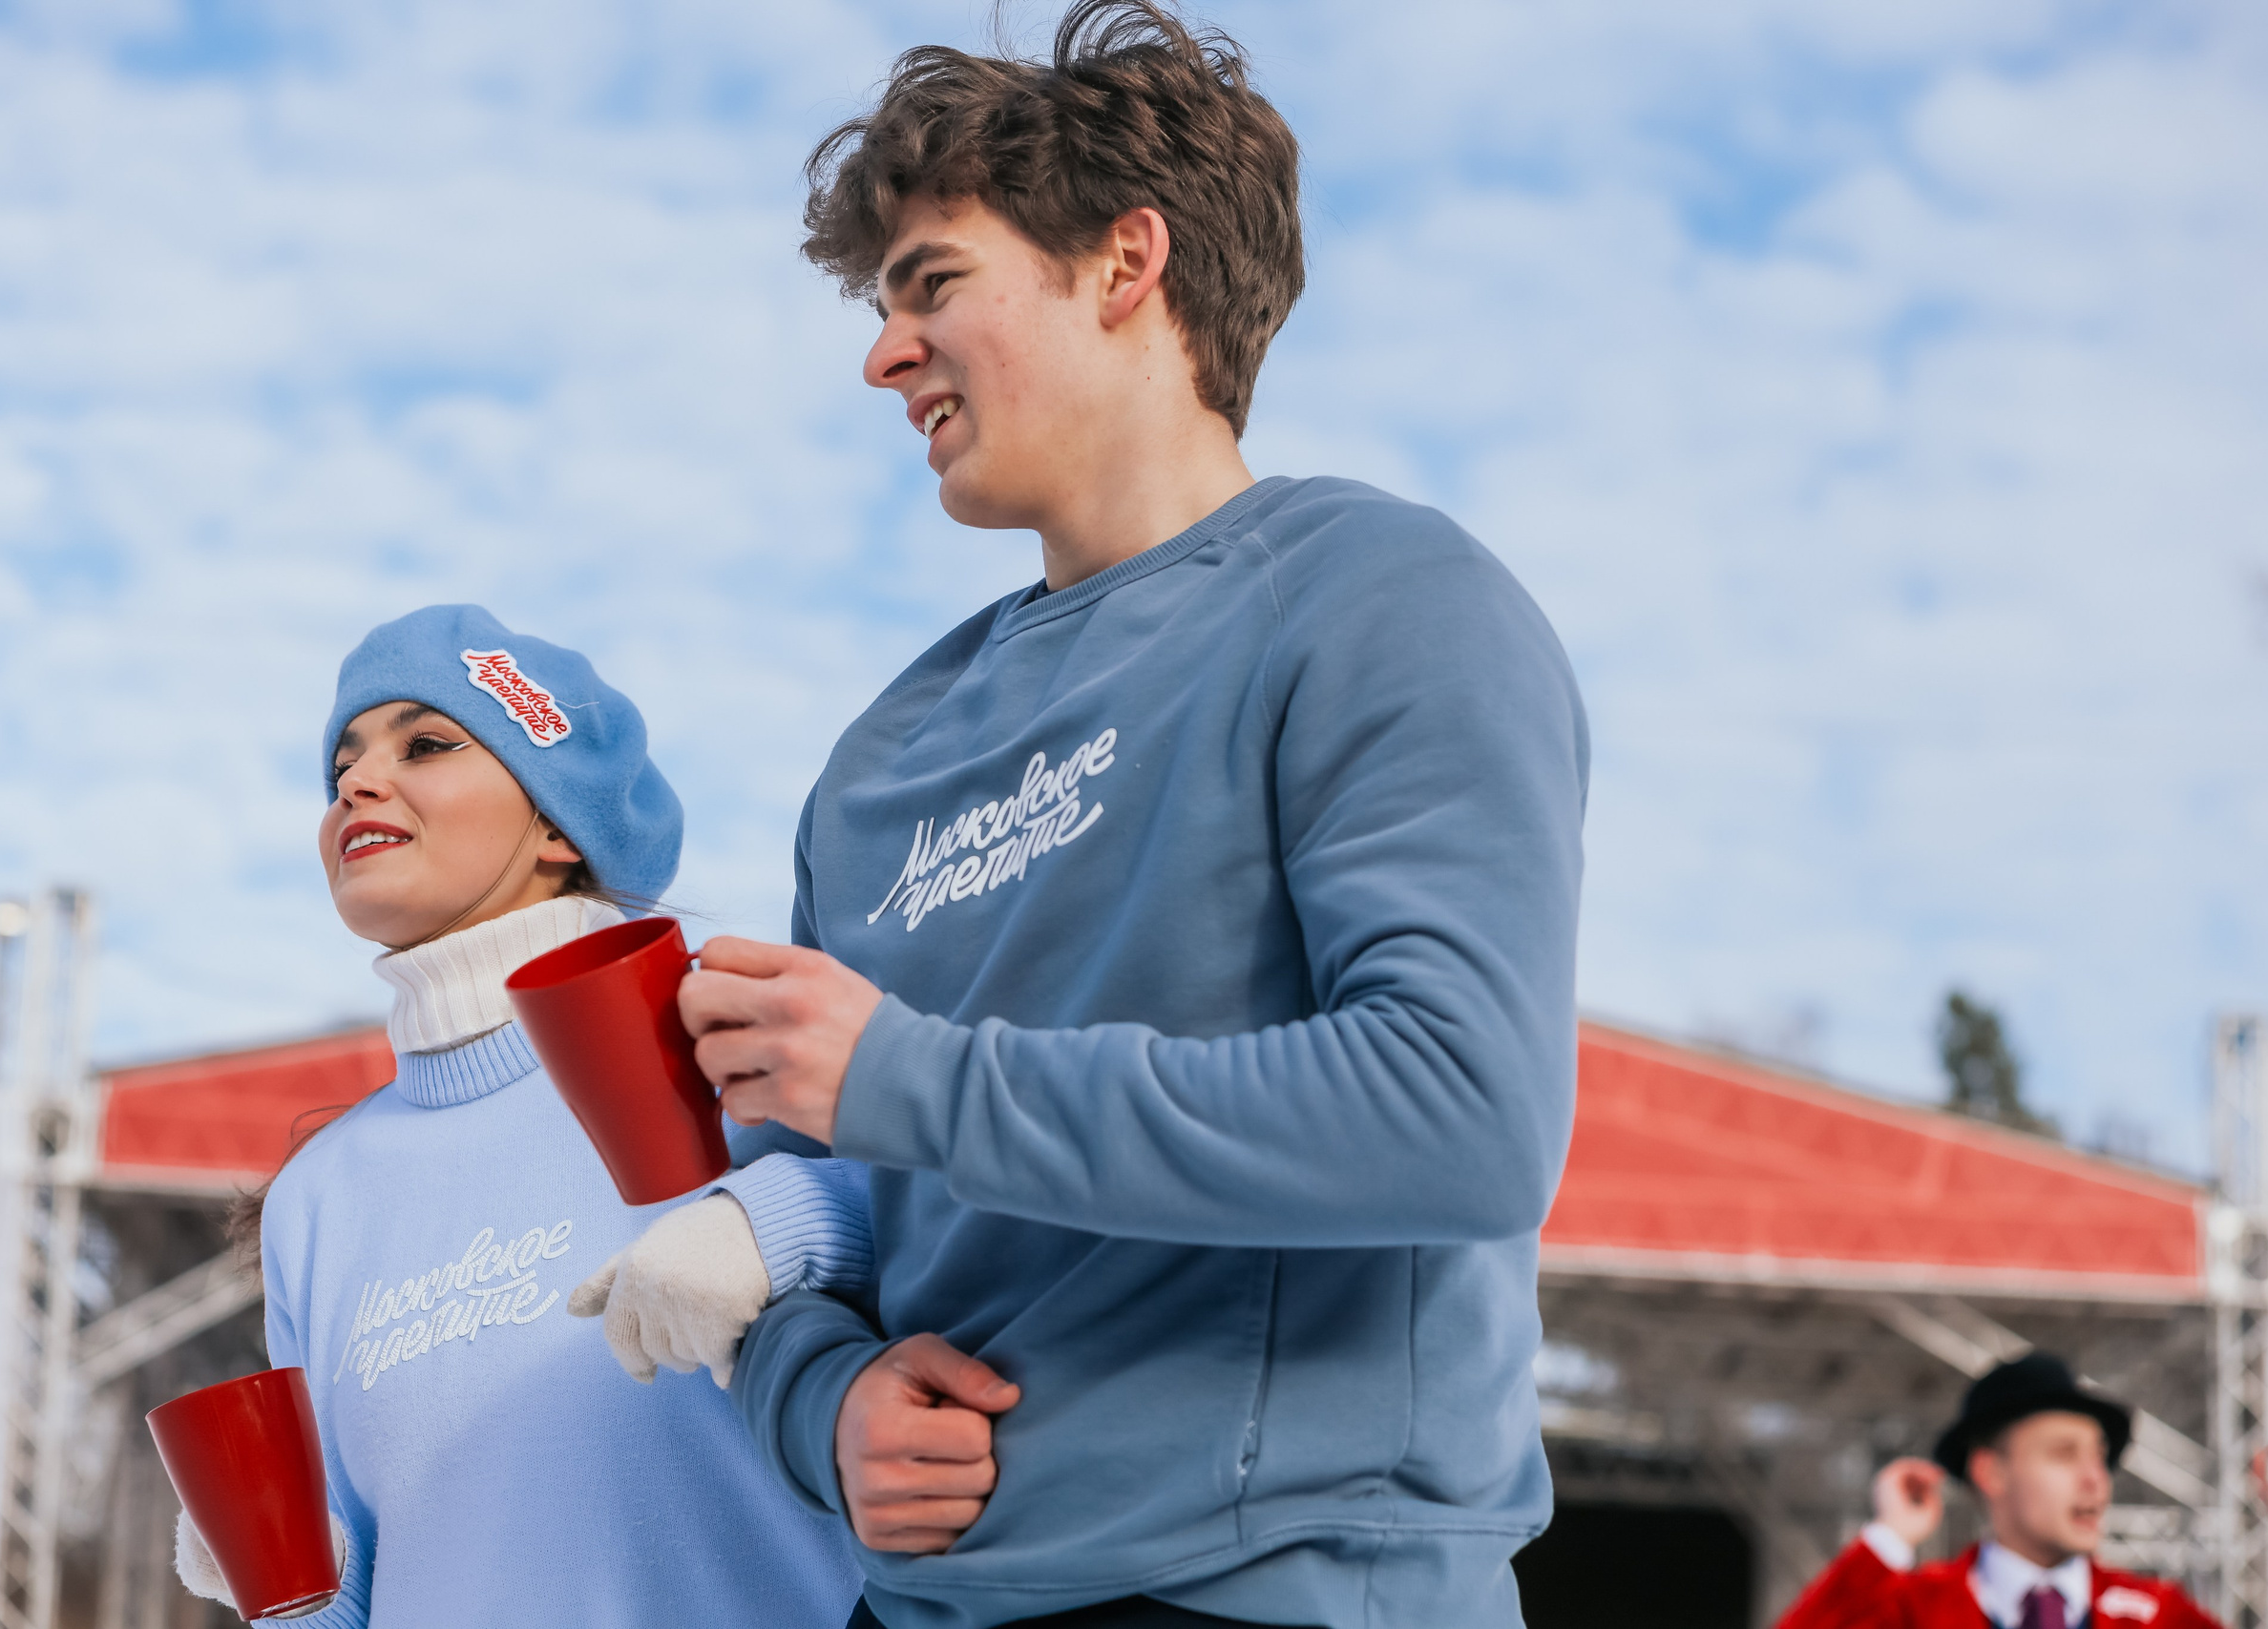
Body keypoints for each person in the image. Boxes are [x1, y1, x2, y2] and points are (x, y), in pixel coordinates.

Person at [584, 6, 1589, 1627]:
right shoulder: (881, 759)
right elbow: (793, 1215)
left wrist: (907, 1075)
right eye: (883, 306)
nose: (884, 353)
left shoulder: (1384, 597)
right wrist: (821, 1402)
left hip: (1277, 1588)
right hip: (921, 1600)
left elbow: (1459, 1113)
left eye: (934, 285)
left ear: (1126, 263)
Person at [175, 604, 872, 1626]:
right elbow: (354, 1603)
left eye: (425, 744)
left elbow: (964, 1240)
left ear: (558, 823)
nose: (357, 784)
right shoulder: (314, 1201)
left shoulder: (720, 1036)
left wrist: (781, 1221)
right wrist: (289, 1574)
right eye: (341, 767)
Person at [1777, 1351, 2268, 1629]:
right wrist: (1887, 1539)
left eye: (2100, 1456)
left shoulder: (2158, 1615)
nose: (2094, 1477)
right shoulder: (1915, 1610)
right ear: (1990, 1472)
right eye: (2062, 1453)